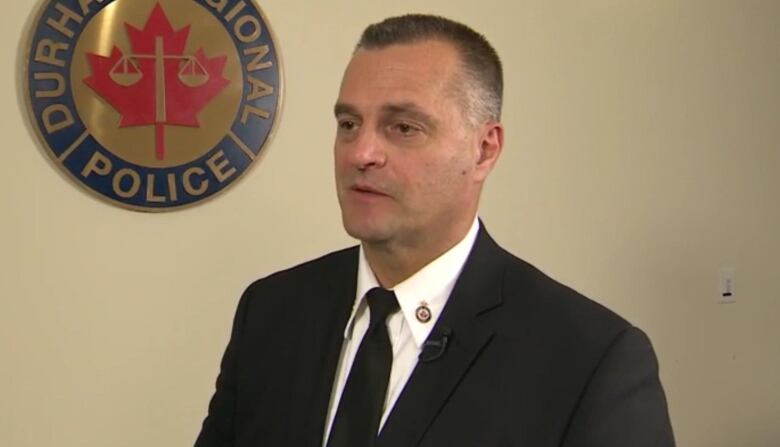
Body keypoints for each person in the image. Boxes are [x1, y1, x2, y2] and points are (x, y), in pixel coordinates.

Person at [195, 14, 675, 447]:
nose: (361, 153)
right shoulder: (271, 312)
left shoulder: (590, 359)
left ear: (484, 150)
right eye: (348, 123)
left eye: (403, 128)